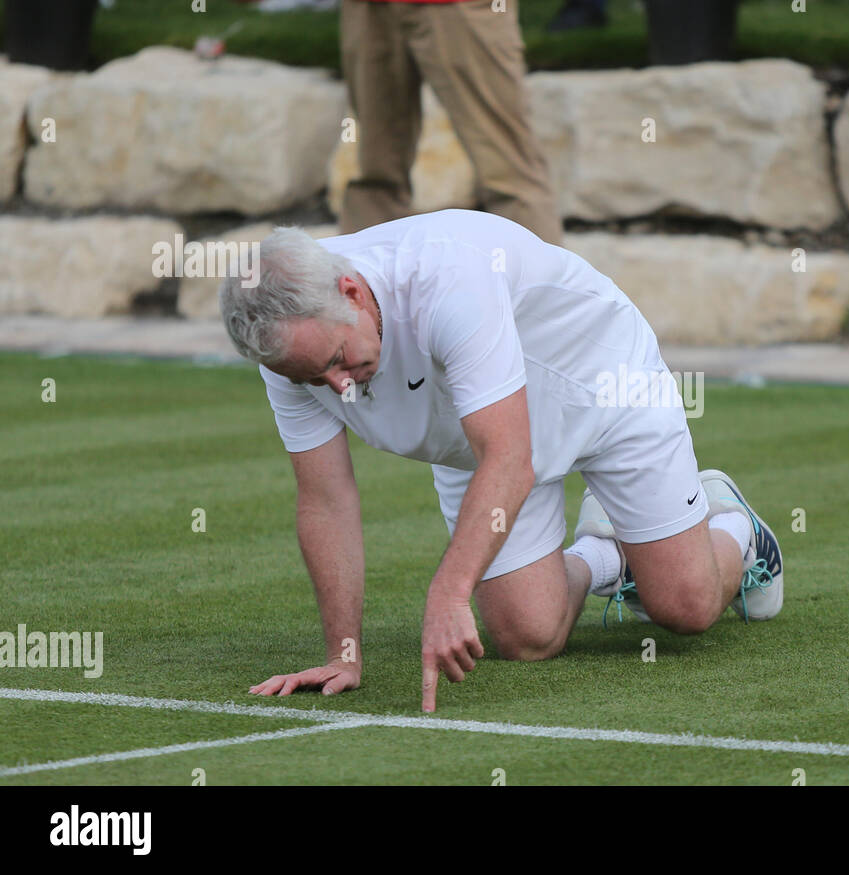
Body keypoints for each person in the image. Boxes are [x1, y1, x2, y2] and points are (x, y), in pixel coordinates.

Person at [218, 210, 783, 712]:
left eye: (338, 359)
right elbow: (326, 500)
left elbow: (510, 461)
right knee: (526, 637)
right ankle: (609, 553)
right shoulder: (288, 352)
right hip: (478, 435)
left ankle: (739, 528)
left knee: (686, 608)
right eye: (315, 377)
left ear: (352, 292)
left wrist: (447, 592)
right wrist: (344, 654)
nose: (337, 386)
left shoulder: (447, 277)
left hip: (605, 389)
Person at [339, 0, 563, 244]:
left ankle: (539, 278)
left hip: (463, 7)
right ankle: (360, 275)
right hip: (368, 8)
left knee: (509, 171)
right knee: (375, 171)